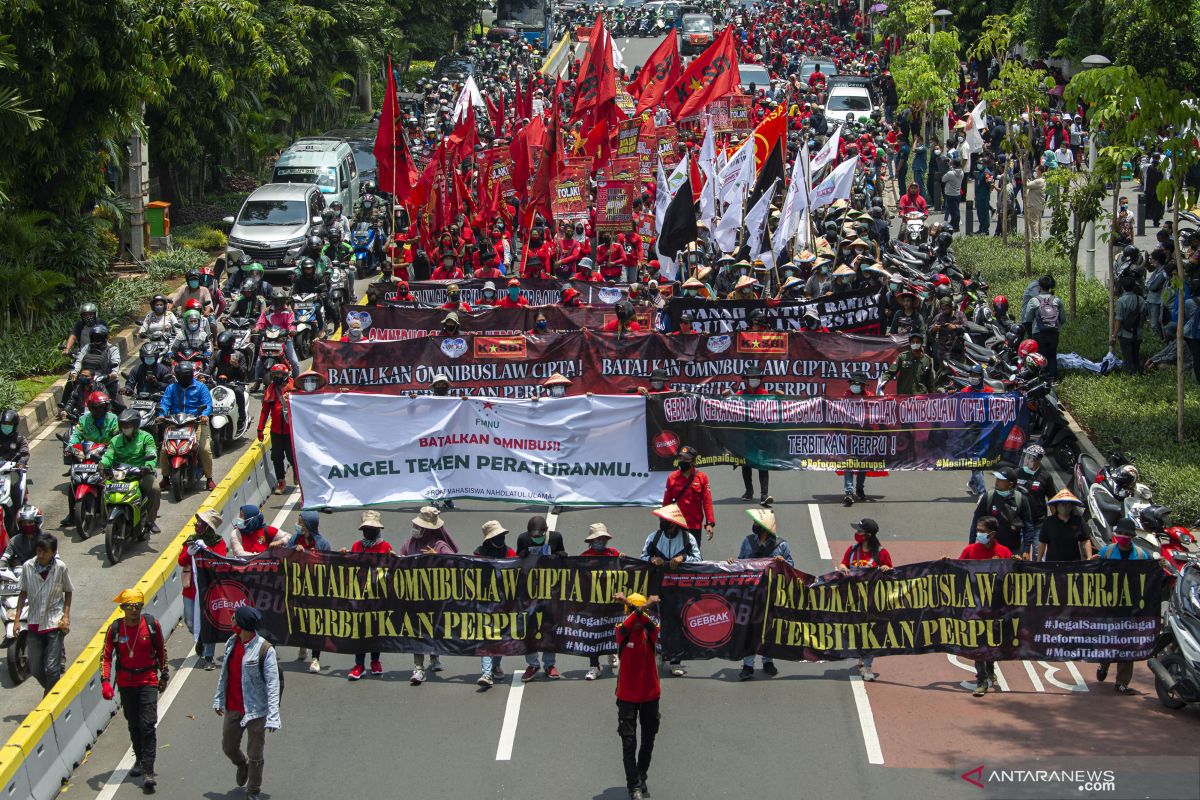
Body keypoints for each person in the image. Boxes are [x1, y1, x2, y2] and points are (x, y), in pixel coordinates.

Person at [101, 588, 168, 791]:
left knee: (148, 724)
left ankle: (148, 769)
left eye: (137, 606)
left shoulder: (151, 625)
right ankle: (139, 757)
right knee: (134, 723)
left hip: (148, 679)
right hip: (126, 682)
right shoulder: (115, 629)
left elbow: (161, 650)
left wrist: (164, 673)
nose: (134, 611)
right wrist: (105, 681)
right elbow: (105, 656)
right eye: (130, 607)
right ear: (122, 608)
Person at [214, 606, 281, 800]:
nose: (231, 618)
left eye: (235, 617)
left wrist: (273, 716)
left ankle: (253, 790)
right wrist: (218, 699)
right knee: (228, 747)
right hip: (233, 707)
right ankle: (241, 764)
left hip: (256, 711)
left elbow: (273, 684)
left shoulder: (265, 650)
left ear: (242, 624)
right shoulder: (232, 643)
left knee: (255, 754)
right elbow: (225, 674)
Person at [1094, 518, 1157, 694]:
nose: (1122, 537)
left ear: (1132, 537)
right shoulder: (1106, 551)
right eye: (1120, 534)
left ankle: (1122, 682)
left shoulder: (1141, 554)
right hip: (1109, 604)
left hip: (1131, 606)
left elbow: (1151, 573)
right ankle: (1104, 664)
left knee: (1128, 643)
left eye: (1126, 535)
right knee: (1108, 640)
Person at [611, 591, 662, 800]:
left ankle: (641, 776)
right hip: (627, 696)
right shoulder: (621, 632)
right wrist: (637, 605)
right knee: (629, 742)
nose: (641, 619)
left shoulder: (652, 631)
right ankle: (633, 786)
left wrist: (634, 605)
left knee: (648, 739)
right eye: (639, 612)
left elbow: (644, 621)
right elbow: (633, 620)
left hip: (650, 694)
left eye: (646, 612)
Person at [398, 506, 457, 683]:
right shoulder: (409, 544)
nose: (416, 529)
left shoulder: (439, 545)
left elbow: (455, 562)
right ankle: (418, 667)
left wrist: (438, 556)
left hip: (435, 598)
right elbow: (400, 560)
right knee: (417, 631)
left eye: (420, 527)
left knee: (433, 629)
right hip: (415, 596)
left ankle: (434, 656)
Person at [641, 504, 701, 676]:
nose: (662, 522)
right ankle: (657, 654)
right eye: (661, 520)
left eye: (665, 520)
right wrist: (652, 559)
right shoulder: (653, 537)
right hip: (657, 586)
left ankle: (676, 660)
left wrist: (683, 558)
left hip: (679, 589)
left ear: (674, 523)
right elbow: (642, 557)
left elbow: (698, 559)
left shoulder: (687, 539)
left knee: (678, 622)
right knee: (655, 621)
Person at [733, 508, 792, 680]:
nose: (753, 526)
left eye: (756, 523)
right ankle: (748, 665)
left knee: (769, 628)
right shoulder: (748, 541)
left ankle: (768, 661)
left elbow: (791, 566)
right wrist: (732, 563)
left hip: (771, 592)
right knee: (749, 628)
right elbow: (740, 562)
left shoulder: (781, 545)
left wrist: (783, 563)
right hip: (751, 592)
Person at [268, 509, 330, 672]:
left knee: (316, 623)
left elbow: (329, 564)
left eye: (301, 522)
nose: (298, 525)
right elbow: (285, 555)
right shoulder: (296, 538)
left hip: (315, 590)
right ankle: (303, 644)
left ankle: (316, 658)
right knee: (296, 619)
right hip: (295, 587)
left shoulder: (322, 543)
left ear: (308, 525)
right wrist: (294, 549)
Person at [957, 517, 1012, 696]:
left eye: (981, 530)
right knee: (978, 642)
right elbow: (957, 569)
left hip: (996, 607)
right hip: (976, 605)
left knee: (992, 640)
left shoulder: (1003, 552)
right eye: (978, 530)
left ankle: (990, 668)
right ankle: (981, 680)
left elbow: (1012, 577)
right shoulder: (970, 550)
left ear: (992, 533)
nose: (978, 533)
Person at [13, 532, 72, 694]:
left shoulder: (60, 568)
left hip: (54, 623)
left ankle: (50, 699)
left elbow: (68, 591)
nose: (41, 555)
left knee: (52, 668)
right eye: (39, 551)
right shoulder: (28, 567)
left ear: (52, 552)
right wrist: (17, 620)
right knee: (35, 668)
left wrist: (66, 617)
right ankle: (56, 694)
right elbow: (23, 592)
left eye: (45, 552)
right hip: (34, 624)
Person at [836, 518, 893, 681]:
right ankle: (861, 656)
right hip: (853, 601)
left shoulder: (882, 553)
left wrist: (886, 569)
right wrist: (843, 568)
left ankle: (867, 666)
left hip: (873, 602)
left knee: (871, 633)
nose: (857, 534)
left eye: (860, 531)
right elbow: (843, 565)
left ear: (868, 535)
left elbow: (892, 574)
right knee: (856, 632)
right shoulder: (852, 550)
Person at [516, 515, 566, 680]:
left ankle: (549, 664)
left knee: (549, 627)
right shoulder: (523, 538)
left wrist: (561, 555)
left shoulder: (556, 537)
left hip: (550, 590)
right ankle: (532, 664)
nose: (535, 538)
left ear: (546, 531)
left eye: (539, 535)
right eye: (533, 536)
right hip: (529, 591)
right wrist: (521, 555)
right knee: (528, 627)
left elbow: (562, 554)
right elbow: (517, 563)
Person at [345, 510, 391, 680]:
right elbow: (349, 567)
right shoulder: (357, 546)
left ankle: (375, 661)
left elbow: (392, 571)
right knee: (359, 631)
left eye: (372, 529)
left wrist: (393, 559)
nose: (369, 532)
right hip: (359, 596)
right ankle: (359, 664)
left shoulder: (385, 547)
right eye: (366, 529)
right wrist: (344, 556)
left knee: (376, 629)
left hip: (378, 597)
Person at [101, 409, 162, 533]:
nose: (125, 428)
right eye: (123, 425)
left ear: (135, 425)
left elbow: (151, 453)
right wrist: (102, 464)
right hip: (120, 474)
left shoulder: (146, 437)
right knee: (104, 490)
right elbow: (108, 455)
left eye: (128, 425)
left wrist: (148, 466)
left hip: (141, 474)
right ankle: (106, 521)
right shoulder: (115, 440)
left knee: (155, 489)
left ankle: (150, 521)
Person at [158, 361, 216, 490]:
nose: (184, 379)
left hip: (197, 422)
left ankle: (209, 478)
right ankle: (166, 477)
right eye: (181, 376)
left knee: (204, 449)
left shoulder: (201, 387)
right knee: (163, 450)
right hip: (175, 422)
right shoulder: (171, 388)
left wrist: (205, 415)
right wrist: (161, 414)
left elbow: (208, 404)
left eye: (186, 376)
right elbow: (165, 403)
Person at [181, 510, 226, 669]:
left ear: (208, 527)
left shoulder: (219, 543)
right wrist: (188, 553)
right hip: (192, 589)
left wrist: (207, 550)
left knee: (209, 622)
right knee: (190, 620)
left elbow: (220, 562)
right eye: (197, 521)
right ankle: (199, 638)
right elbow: (181, 561)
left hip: (210, 589)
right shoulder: (191, 541)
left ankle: (209, 657)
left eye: (200, 522)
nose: (197, 525)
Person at [475, 520, 516, 688]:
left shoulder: (510, 552)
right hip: (485, 602)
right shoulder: (478, 554)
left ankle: (496, 665)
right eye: (496, 537)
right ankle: (486, 672)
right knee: (487, 637)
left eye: (501, 536)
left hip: (505, 602)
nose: (500, 539)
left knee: (501, 636)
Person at [580, 523, 622, 681]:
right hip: (592, 602)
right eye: (598, 539)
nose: (601, 541)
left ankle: (611, 651)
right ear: (591, 540)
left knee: (611, 628)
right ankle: (594, 666)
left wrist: (623, 560)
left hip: (611, 601)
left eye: (603, 538)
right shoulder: (584, 557)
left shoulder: (614, 553)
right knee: (593, 633)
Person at [969, 467, 1035, 558]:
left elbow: (1028, 526)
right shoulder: (988, 497)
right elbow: (976, 519)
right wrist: (971, 543)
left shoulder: (1021, 499)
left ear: (1010, 484)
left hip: (1013, 549)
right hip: (990, 549)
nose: (997, 481)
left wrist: (1026, 550)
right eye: (997, 478)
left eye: (1001, 480)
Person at [660, 446, 716, 546]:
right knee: (675, 555)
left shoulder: (702, 477)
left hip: (694, 524)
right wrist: (664, 521)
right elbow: (666, 501)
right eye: (680, 458)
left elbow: (707, 502)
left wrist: (709, 523)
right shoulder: (672, 477)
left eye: (685, 459)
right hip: (675, 524)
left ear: (692, 461)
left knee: (694, 555)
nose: (682, 461)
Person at [735, 367, 773, 505]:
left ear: (760, 380)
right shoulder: (739, 394)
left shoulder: (765, 394)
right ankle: (749, 491)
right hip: (745, 436)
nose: (754, 380)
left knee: (762, 464)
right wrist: (726, 396)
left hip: (761, 436)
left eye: (756, 377)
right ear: (746, 380)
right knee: (746, 464)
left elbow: (773, 410)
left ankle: (764, 494)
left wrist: (780, 397)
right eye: (751, 378)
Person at [256, 363, 295, 494]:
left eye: (279, 375)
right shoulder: (270, 389)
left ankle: (298, 474)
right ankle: (281, 481)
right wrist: (260, 429)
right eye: (274, 375)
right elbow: (265, 410)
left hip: (292, 431)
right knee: (276, 457)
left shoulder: (294, 387)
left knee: (292, 456)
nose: (276, 378)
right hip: (276, 430)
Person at [1021, 275, 1064, 381]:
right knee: (1052, 355)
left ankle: (1043, 379)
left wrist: (1031, 333)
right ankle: (1053, 377)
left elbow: (1028, 319)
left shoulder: (1034, 301)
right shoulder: (1057, 300)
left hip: (1038, 332)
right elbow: (1063, 319)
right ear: (1050, 287)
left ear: (1039, 287)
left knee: (1040, 355)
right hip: (1054, 332)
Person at [841, 372, 872, 505]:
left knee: (862, 465)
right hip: (849, 435)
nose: (854, 386)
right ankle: (849, 492)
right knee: (849, 464)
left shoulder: (871, 397)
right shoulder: (846, 396)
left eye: (857, 383)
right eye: (852, 383)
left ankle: (860, 489)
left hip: (865, 436)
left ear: (863, 385)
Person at [1037, 489, 1091, 561]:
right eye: (1062, 503)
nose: (1065, 506)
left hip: (1073, 564)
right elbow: (1043, 543)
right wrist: (1038, 560)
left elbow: (1086, 541)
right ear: (1057, 505)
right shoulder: (1048, 522)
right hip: (1053, 564)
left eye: (1068, 503)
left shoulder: (1079, 521)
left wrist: (1089, 557)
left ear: (1072, 505)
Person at [0, 408, 30, 525]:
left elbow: (25, 453)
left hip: (12, 472)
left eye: (8, 424)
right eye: (4, 424)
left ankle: (17, 519)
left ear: (15, 425)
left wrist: (21, 463)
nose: (5, 426)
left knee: (15, 492)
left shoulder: (20, 439)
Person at [1112, 276, 1147, 374]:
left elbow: (1119, 320)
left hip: (1125, 334)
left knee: (1127, 359)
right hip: (1138, 334)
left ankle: (1129, 375)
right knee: (1135, 356)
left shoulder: (1121, 301)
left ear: (1122, 287)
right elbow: (1143, 317)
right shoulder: (1140, 299)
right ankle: (1137, 373)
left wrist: (1114, 336)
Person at [3, 505, 41, 570]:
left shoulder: (46, 539)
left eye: (30, 522)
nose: (27, 525)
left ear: (37, 523)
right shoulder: (14, 541)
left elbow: (55, 559)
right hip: (19, 576)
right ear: (20, 524)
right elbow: (5, 558)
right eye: (24, 523)